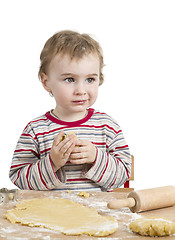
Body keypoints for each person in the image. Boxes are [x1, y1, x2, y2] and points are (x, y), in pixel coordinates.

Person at [9, 30, 131, 191]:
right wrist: (52, 162)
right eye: (69, 79)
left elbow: (124, 173)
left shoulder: (107, 126)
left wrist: (96, 157)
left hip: (98, 215)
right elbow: (18, 178)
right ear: (46, 82)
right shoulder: (36, 130)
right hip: (49, 214)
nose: (81, 90)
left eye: (90, 79)